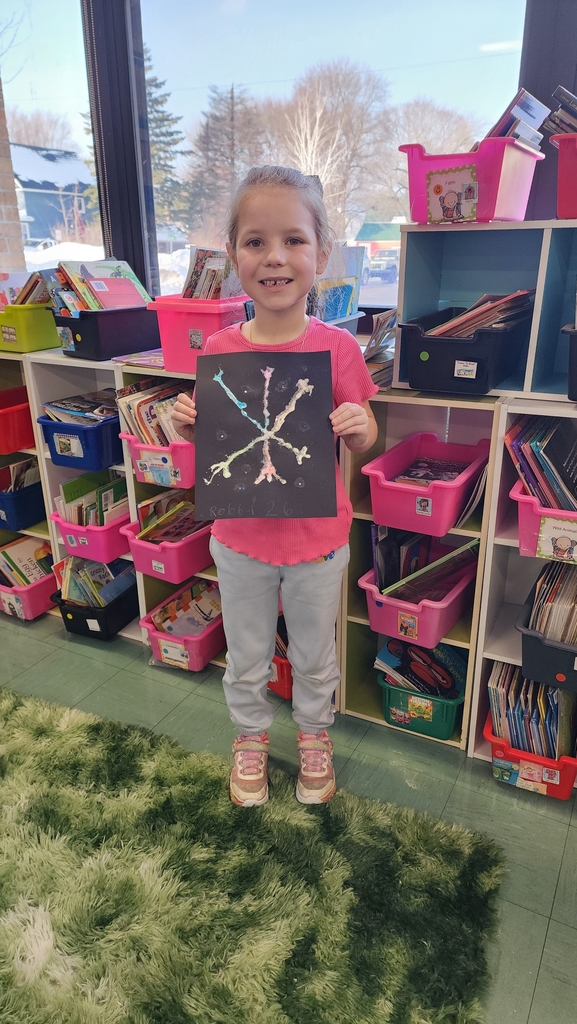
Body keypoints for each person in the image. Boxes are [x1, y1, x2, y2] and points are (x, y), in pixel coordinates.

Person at [172, 165, 378, 807]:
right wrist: (186, 426)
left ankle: (315, 736)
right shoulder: (222, 345)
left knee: (315, 655)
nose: (275, 257)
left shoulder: (339, 348)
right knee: (247, 653)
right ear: (234, 255)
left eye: (293, 239)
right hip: (239, 540)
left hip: (317, 539)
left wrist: (360, 423)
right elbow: (213, 446)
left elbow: (364, 439)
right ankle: (251, 738)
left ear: (321, 252)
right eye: (256, 242)